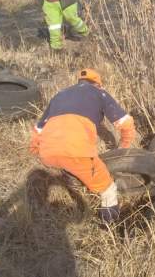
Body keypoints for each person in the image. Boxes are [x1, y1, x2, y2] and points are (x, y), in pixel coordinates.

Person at [29, 68, 137, 225]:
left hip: (47, 154)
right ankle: (110, 228)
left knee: (72, 167)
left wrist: (35, 151)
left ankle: (74, 182)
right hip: (76, 152)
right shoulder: (99, 93)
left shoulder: (60, 95)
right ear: (98, 84)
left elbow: (38, 130)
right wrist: (123, 147)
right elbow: (125, 123)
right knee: (108, 189)